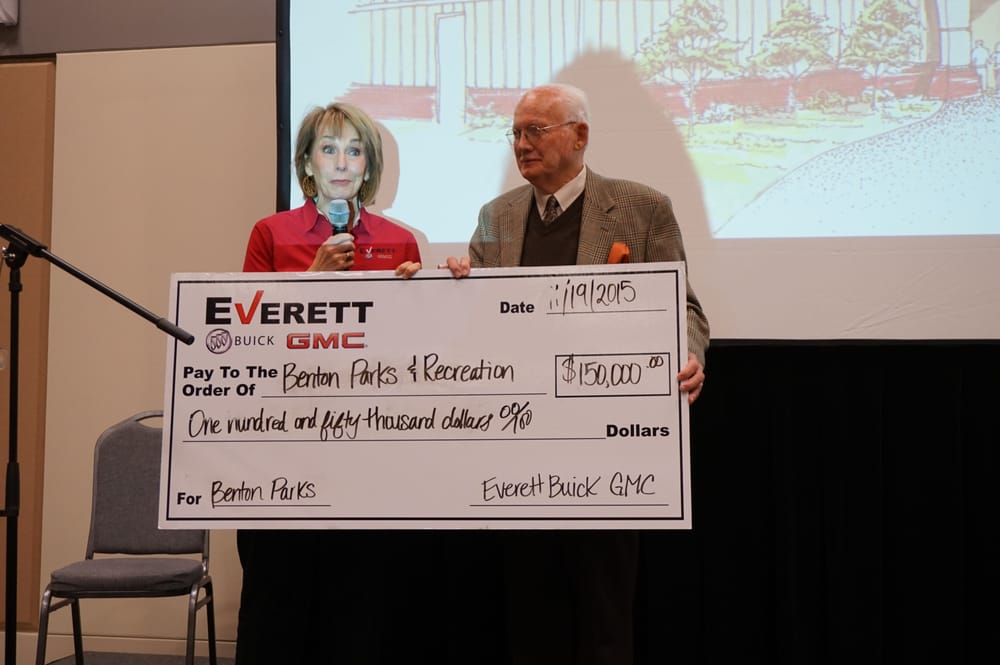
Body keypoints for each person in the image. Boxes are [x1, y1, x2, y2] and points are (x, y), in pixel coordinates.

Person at [445, 83, 709, 665]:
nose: (522, 144)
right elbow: (473, 326)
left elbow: (684, 309)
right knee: (531, 617)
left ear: (579, 135)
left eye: (535, 131)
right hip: (520, 454)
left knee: (603, 620)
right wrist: (454, 288)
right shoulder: (495, 217)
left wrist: (689, 356)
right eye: (516, 133)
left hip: (606, 452)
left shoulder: (643, 207)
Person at [236, 101, 421, 664]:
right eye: (329, 149)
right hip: (284, 452)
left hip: (369, 454)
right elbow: (245, 342)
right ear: (307, 164)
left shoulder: (400, 242)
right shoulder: (271, 234)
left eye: (355, 150)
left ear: (369, 166)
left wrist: (425, 299)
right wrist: (310, 281)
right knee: (280, 607)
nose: (342, 162)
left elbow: (417, 353)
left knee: (361, 610)